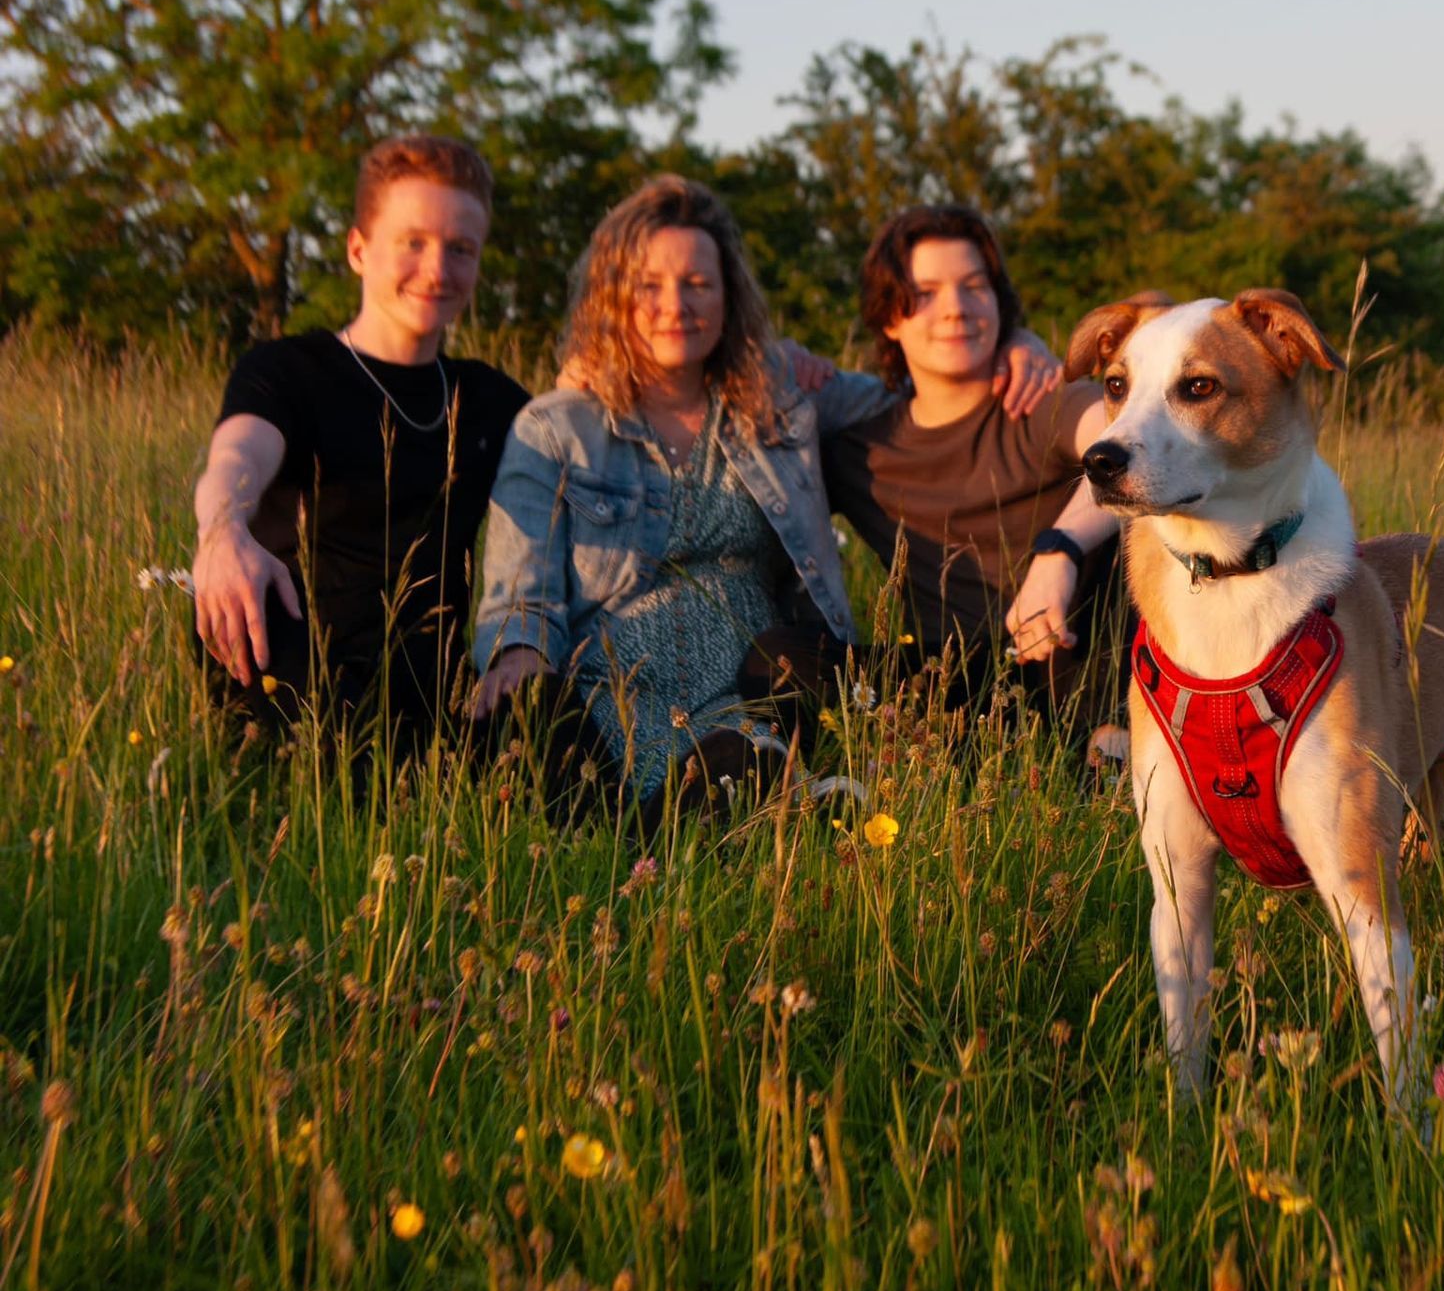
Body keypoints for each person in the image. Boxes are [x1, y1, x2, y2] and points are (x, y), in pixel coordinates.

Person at [468, 177, 1058, 825]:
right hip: (613, 686)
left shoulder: (779, 393)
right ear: (611, 296)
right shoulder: (555, 426)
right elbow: (519, 594)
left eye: (698, 284)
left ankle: (741, 795)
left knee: (767, 735)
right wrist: (520, 657)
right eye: (649, 286)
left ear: (728, 297)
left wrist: (1013, 345)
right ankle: (682, 816)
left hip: (759, 679)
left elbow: (919, 401)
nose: (676, 305)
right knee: (521, 719)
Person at [191, 135, 529, 745]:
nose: (437, 270)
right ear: (358, 249)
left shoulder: (491, 399)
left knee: (549, 714)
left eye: (460, 250)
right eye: (413, 243)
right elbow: (237, 456)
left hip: (433, 683)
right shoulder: (289, 370)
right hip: (298, 661)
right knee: (248, 607)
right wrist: (222, 532)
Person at [813, 205, 1125, 718]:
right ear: (891, 317)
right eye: (927, 294)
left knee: (1137, 531)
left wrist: (1059, 549)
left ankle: (1107, 741)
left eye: (975, 286)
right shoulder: (860, 452)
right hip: (956, 686)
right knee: (780, 657)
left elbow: (1124, 445)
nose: (957, 309)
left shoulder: (1040, 397)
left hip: (1071, 658)